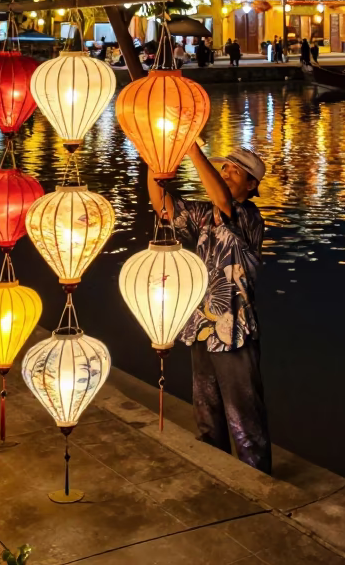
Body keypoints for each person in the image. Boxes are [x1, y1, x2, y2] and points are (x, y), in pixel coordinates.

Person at [147, 145, 270, 472]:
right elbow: (164, 208)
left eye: (234, 171)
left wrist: (190, 147)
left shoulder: (249, 217)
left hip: (236, 329)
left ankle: (257, 480)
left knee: (244, 415)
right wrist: (155, 158)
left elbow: (224, 203)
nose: (225, 173)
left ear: (251, 185)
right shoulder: (205, 214)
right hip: (203, 324)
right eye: (223, 168)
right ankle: (215, 471)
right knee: (206, 410)